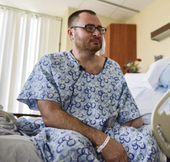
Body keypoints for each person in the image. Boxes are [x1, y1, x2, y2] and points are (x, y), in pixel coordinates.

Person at [17, 10, 160, 162]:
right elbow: (50, 116)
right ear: (71, 33)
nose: (97, 33)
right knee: (70, 147)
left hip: (109, 132)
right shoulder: (50, 63)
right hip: (67, 132)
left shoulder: (113, 68)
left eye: (100, 29)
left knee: (145, 144)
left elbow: (130, 118)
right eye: (89, 28)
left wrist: (148, 124)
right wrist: (102, 140)